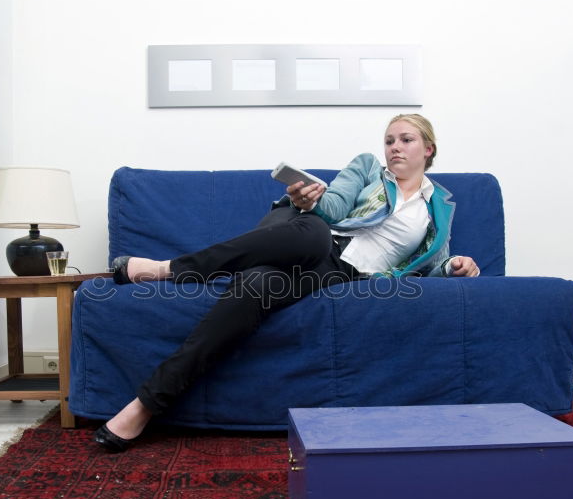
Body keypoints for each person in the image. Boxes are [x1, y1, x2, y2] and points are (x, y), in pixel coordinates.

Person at [93, 113, 480, 452]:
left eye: (406, 140)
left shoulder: (440, 206)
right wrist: (309, 199)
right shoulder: (367, 169)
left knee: (257, 285)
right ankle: (169, 269)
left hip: (342, 273)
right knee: (313, 234)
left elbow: (432, 263)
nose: (395, 147)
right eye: (390, 140)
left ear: (428, 149)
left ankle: (144, 405)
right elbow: (333, 208)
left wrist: (457, 266)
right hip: (308, 232)